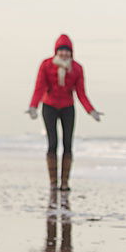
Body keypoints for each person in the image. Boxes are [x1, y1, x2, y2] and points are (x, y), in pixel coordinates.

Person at [27, 34, 103, 191]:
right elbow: (39, 87)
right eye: (61, 50)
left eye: (67, 51)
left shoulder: (77, 68)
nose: (64, 54)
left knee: (68, 144)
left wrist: (91, 110)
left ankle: (65, 182)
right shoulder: (46, 65)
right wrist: (34, 106)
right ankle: (53, 182)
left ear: (71, 52)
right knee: (52, 143)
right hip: (49, 106)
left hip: (68, 107)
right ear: (56, 51)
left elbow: (81, 92)